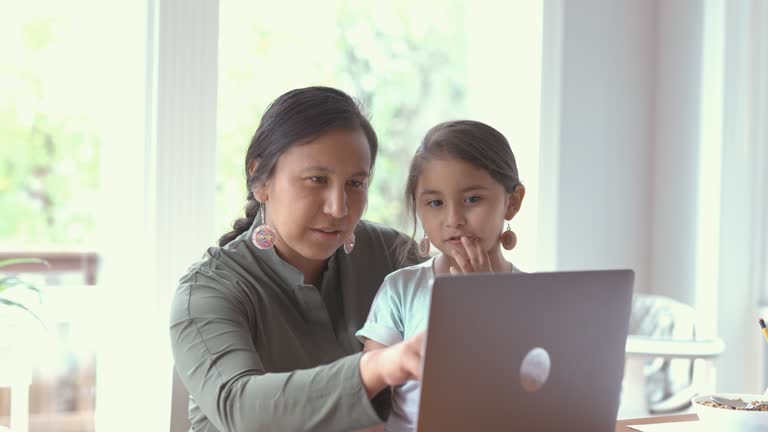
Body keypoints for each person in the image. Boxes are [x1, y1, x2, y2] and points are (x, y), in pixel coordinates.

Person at [169, 86, 427, 432]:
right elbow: (239, 408)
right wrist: (378, 368)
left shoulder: (391, 255)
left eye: (355, 183)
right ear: (260, 180)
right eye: (316, 180)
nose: (339, 207)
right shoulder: (206, 291)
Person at [356, 120, 526, 431]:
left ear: (511, 202)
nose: (454, 220)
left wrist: (489, 305)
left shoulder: (536, 296)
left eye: (472, 199)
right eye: (435, 203)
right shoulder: (402, 290)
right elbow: (368, 398)